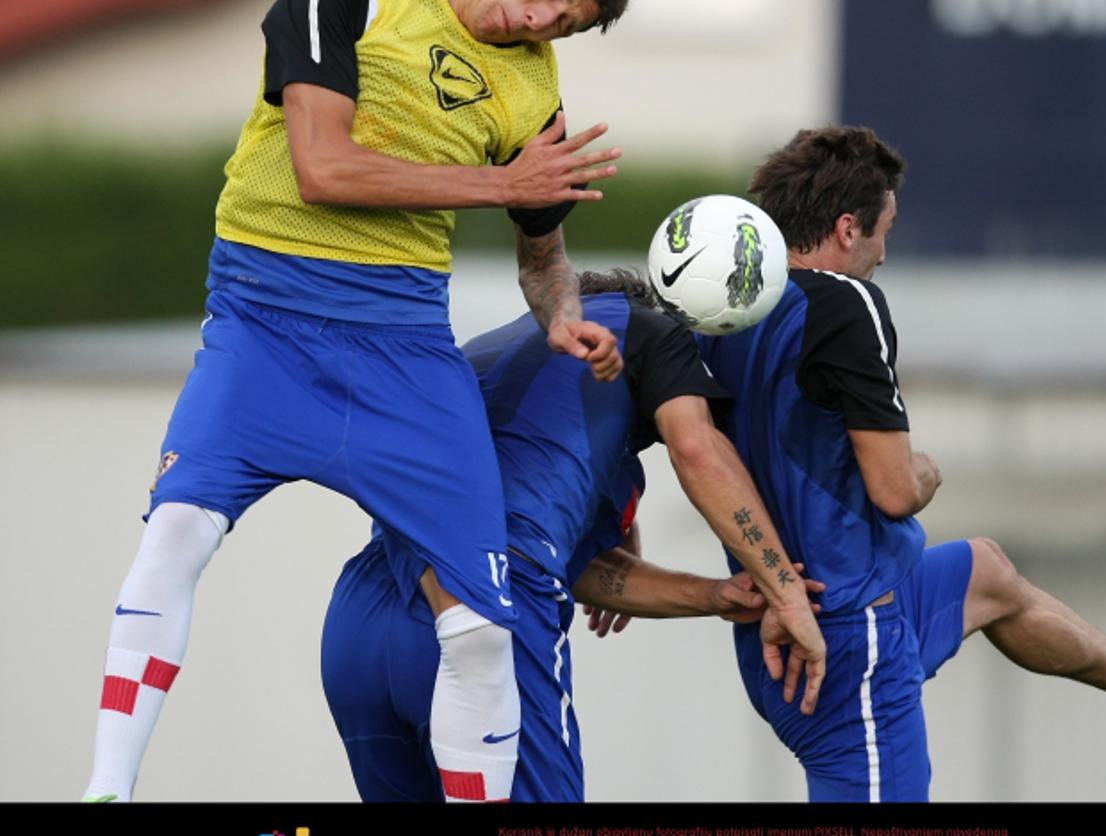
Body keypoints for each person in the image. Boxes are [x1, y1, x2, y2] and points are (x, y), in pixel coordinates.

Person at [82, 0, 642, 803]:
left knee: (485, 628)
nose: (542, 21)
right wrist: (500, 186)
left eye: (569, 21)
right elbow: (322, 167)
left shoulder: (534, 87)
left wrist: (562, 319)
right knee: (175, 533)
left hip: (407, 353)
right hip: (266, 324)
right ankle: (106, 790)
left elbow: (543, 258)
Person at [694, 125, 1106, 802]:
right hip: (846, 641)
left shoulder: (721, 312)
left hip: (789, 626)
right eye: (884, 231)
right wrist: (928, 469)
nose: (883, 253)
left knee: (984, 574)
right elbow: (896, 490)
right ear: (848, 229)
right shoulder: (848, 303)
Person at [320, 270, 827, 801]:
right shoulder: (647, 328)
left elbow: (576, 566)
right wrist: (783, 590)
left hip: (361, 623)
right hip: (488, 608)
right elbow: (696, 448)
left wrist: (713, 595)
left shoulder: (486, 349)